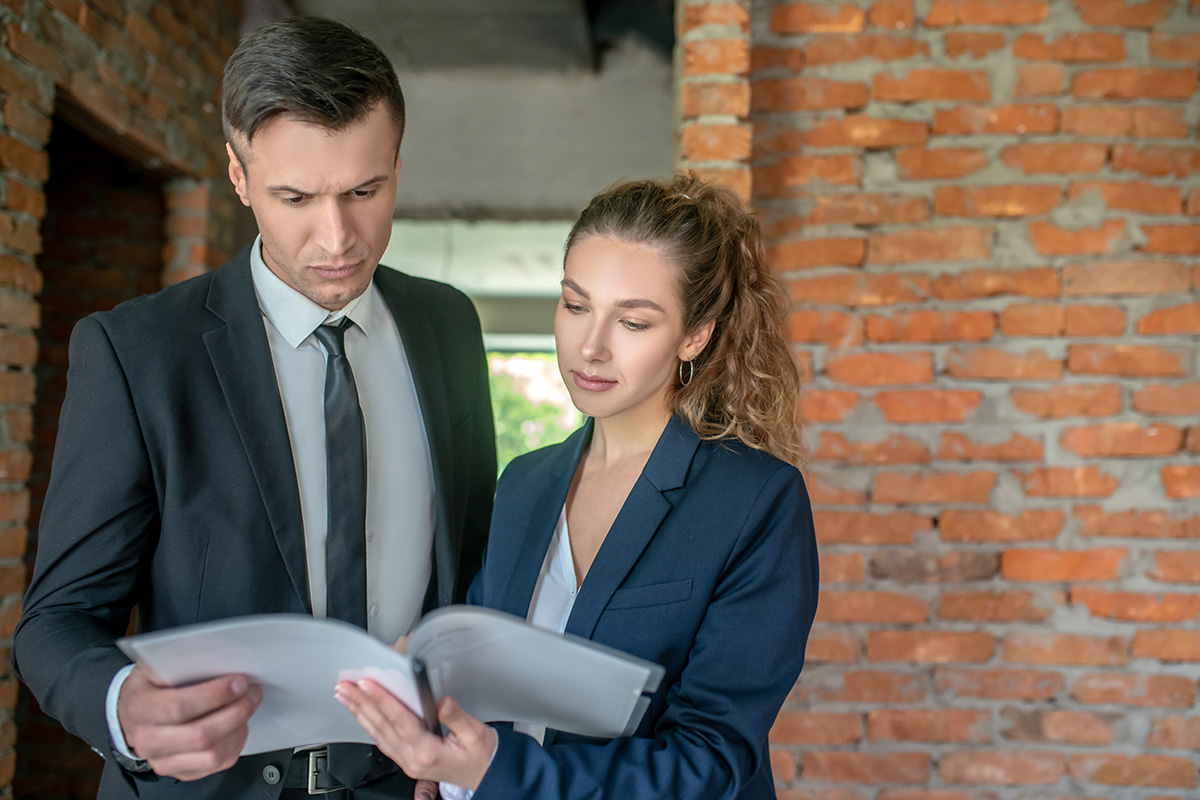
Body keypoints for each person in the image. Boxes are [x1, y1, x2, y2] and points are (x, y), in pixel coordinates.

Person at [12, 16, 495, 800]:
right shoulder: (137, 351)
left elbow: (471, 564)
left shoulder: (448, 326)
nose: (336, 237)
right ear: (238, 178)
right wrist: (122, 705)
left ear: (397, 166)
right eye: (295, 197)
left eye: (365, 191)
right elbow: (56, 622)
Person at [336, 173, 820, 800]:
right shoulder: (524, 485)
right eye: (575, 305)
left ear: (695, 335)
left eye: (635, 323)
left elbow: (714, 761)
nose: (590, 348)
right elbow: (491, 685)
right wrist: (437, 732)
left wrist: (496, 772)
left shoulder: (756, 501)